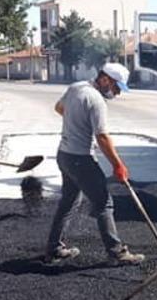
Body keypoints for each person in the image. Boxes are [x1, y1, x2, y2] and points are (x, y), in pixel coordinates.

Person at [45, 62, 144, 266]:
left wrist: (77, 121)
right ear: (105, 79)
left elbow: (59, 108)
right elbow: (102, 137)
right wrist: (118, 165)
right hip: (81, 159)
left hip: (64, 155)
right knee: (103, 203)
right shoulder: (96, 99)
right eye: (116, 88)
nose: (117, 93)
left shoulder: (76, 87)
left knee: (69, 201)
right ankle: (116, 252)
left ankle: (53, 248)